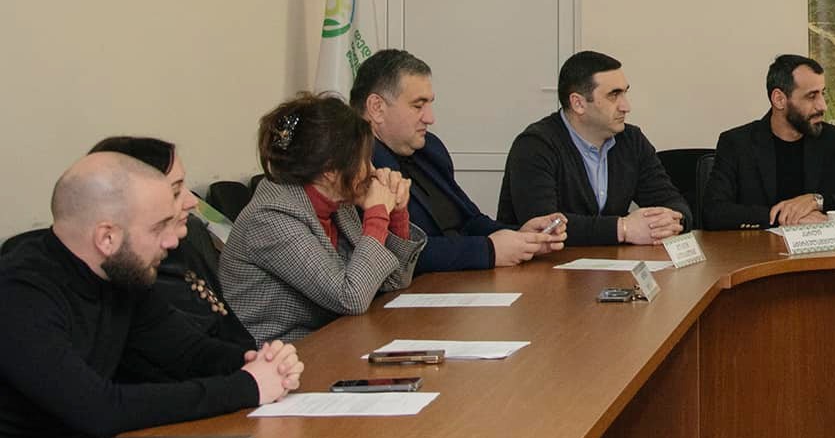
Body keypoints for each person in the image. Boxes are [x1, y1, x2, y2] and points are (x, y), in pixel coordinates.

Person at [0, 153, 302, 438]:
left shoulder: (122, 274)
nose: (172, 241)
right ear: (107, 237)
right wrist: (246, 386)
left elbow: (187, 354)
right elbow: (99, 409)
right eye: (158, 228)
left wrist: (260, 362)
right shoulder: (19, 292)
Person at [222, 93, 428, 343]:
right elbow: (351, 297)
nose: (372, 170)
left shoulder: (337, 201)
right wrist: (376, 214)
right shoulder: (271, 217)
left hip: (334, 338)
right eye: (363, 159)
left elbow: (394, 281)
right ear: (330, 170)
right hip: (285, 351)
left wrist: (396, 212)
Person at [353, 49, 566, 269]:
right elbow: (394, 253)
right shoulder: (354, 165)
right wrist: (488, 250)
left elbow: (469, 220)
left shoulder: (430, 148)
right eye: (418, 106)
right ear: (377, 108)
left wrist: (521, 237)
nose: (430, 118)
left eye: (429, 104)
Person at [498, 50, 690, 244]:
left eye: (624, 93)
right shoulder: (535, 145)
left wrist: (672, 221)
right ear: (578, 103)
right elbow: (543, 226)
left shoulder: (631, 140)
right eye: (614, 95)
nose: (626, 106)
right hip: (544, 262)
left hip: (610, 260)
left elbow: (672, 202)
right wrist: (622, 229)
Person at [89, 135, 253, 349]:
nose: (192, 201)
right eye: (175, 191)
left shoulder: (182, 246)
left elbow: (234, 338)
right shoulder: (133, 274)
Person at [703, 54, 835, 229]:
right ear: (779, 99)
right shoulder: (737, 143)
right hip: (760, 253)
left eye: (822, 93)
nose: (822, 106)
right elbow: (713, 212)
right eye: (812, 96)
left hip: (822, 253)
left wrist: (818, 201)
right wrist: (784, 217)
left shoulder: (832, 140)